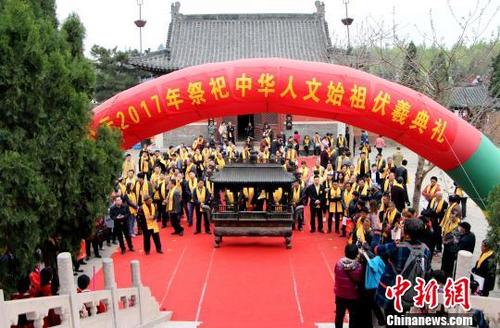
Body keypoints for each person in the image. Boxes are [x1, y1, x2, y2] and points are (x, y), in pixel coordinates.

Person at [374, 218, 432, 317]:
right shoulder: (426, 249)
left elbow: (376, 249)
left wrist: (378, 232)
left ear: (406, 233)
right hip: (411, 292)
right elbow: (427, 273)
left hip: (392, 292)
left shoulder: (397, 247)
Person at [334, 244, 362, 328]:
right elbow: (359, 279)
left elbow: (335, 272)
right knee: (353, 317)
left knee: (339, 315)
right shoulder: (358, 267)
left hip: (340, 294)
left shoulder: (338, 264)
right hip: (352, 296)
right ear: (356, 254)